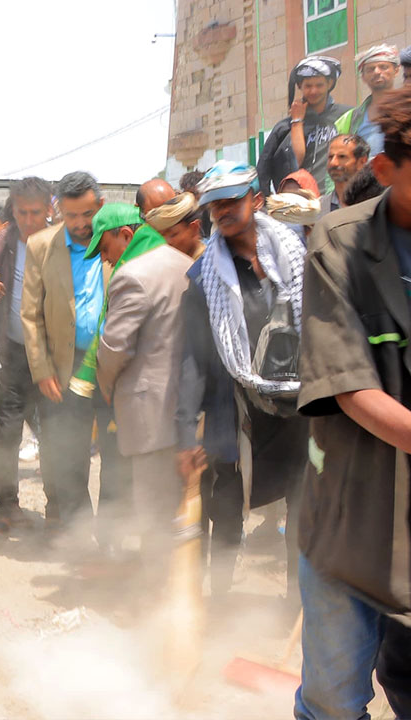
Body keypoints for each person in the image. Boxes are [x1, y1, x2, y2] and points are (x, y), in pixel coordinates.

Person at [293, 85, 411, 720]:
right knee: (334, 701)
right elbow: (350, 387)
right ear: (386, 170)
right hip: (355, 515)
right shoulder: (338, 244)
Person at [175, 161, 308, 598]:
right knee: (226, 506)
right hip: (236, 408)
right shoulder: (204, 278)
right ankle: (219, 600)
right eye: (215, 205)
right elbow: (192, 358)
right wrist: (184, 432)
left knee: (303, 504)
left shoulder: (296, 257)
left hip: (297, 406)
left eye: (232, 200)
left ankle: (296, 598)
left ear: (255, 200)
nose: (223, 211)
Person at [21, 171, 128, 539]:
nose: (81, 224)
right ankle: (80, 540)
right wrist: (42, 369)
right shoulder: (40, 246)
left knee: (117, 455)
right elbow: (31, 314)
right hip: (64, 369)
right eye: (71, 216)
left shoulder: (120, 236)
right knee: (69, 456)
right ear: (58, 212)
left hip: (114, 367)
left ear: (100, 205)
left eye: (87, 214)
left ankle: (111, 539)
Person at [88, 204, 193, 573]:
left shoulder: (132, 274)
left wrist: (106, 385)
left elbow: (115, 348)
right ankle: (184, 586)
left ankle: (155, 594)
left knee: (152, 506)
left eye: (105, 249)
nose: (106, 259)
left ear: (126, 236)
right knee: (186, 507)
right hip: (190, 407)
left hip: (150, 411)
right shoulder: (183, 262)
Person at [0, 177, 53, 535]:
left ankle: (58, 507)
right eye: (21, 212)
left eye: (36, 212)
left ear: (49, 208)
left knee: (54, 430)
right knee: (6, 433)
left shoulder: (64, 243)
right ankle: (6, 506)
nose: (29, 219)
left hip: (53, 357)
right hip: (11, 355)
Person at [256, 56, 350, 195]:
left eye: (319, 85)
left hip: (337, 198)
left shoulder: (346, 116)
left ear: (329, 84)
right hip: (298, 203)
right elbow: (264, 169)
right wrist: (297, 122)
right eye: (308, 86)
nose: (313, 91)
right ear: (299, 86)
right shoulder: (284, 128)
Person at [335, 44, 400, 156]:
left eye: (383, 67)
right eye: (370, 69)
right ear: (363, 76)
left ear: (396, 70)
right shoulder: (349, 119)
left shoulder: (406, 107)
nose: (377, 72)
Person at [319, 134, 371, 219]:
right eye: (330, 157)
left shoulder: (375, 206)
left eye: (342, 157)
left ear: (362, 162)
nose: (333, 163)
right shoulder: (319, 208)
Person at [145, 192, 206, 259]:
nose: (167, 242)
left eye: (173, 235)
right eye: (161, 236)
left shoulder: (209, 263)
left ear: (194, 228)